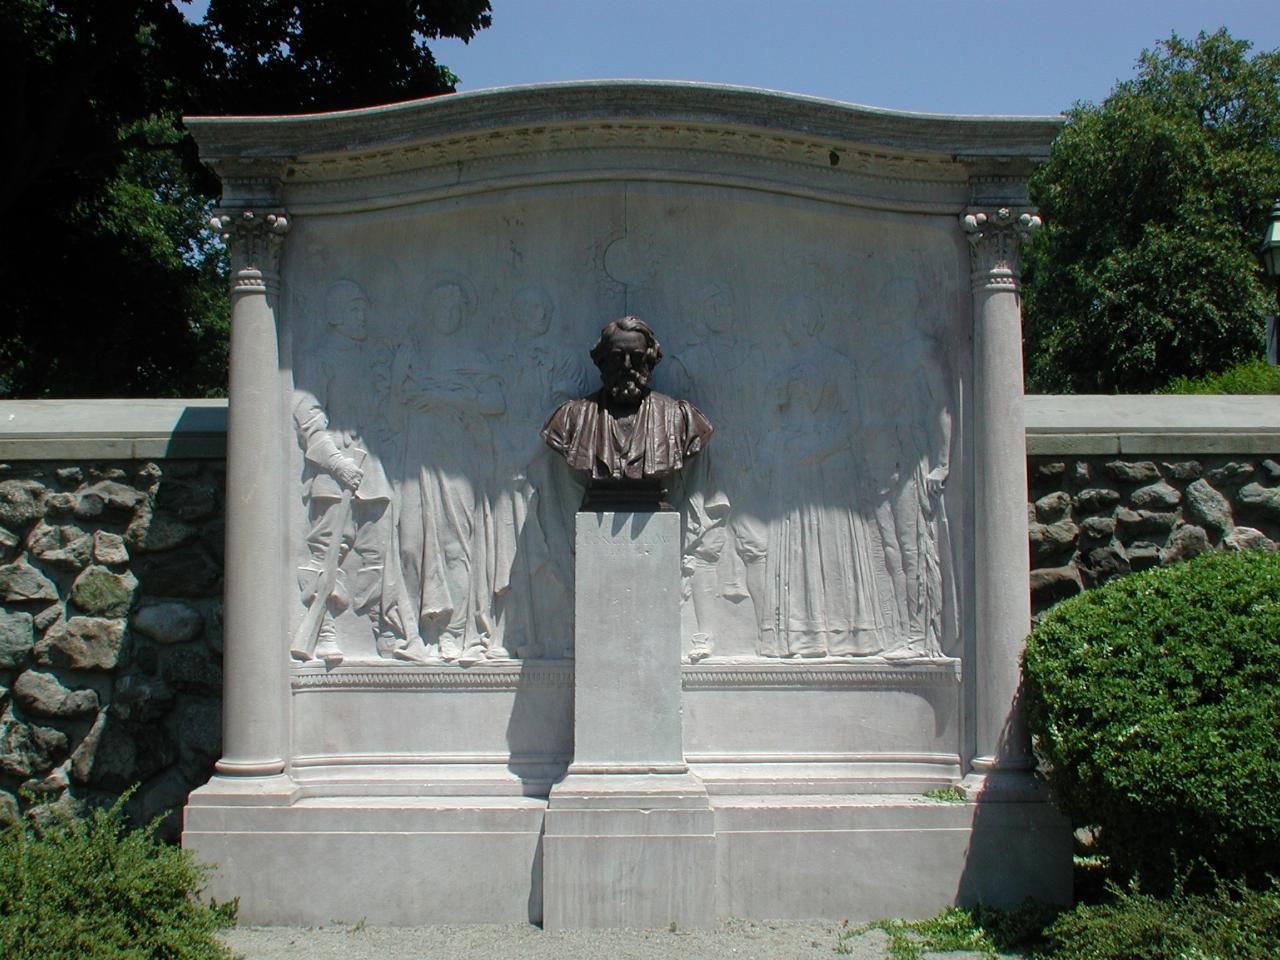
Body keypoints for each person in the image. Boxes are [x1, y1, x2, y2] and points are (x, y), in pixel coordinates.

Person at [541, 316, 713, 505]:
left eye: (637, 356)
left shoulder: (680, 419)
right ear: (602, 361)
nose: (627, 365)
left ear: (650, 360)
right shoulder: (572, 419)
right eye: (617, 356)